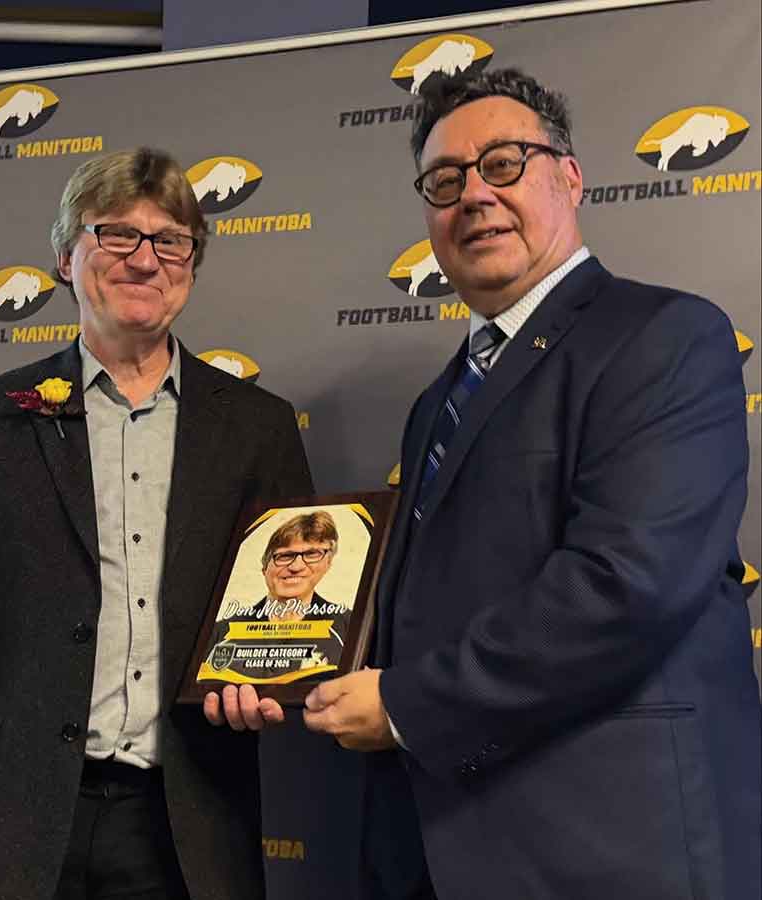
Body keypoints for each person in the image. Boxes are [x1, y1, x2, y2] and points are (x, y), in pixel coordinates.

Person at [300, 69, 761, 900]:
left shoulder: (666, 336)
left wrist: (406, 704)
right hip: (442, 845)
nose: (473, 194)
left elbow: (627, 585)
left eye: (504, 163)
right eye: (445, 181)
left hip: (611, 848)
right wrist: (289, 669)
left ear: (571, 177)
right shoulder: (436, 402)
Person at [0, 147, 312, 900]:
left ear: (192, 266)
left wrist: (272, 682)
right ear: (67, 258)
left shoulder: (258, 429)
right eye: (117, 235)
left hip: (187, 826)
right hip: (8, 818)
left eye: (171, 240)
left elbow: (290, 611)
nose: (146, 259)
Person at [203, 511, 351, 681]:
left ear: (327, 563)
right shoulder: (220, 634)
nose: (296, 566)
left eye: (311, 554)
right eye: (285, 555)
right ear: (265, 567)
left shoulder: (349, 628)